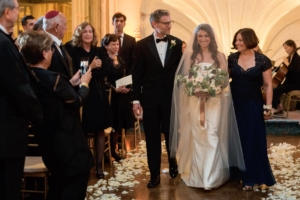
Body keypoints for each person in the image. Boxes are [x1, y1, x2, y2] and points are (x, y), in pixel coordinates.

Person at [19, 31, 94, 200]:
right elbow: (77, 101)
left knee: (58, 185)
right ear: (45, 53)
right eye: (50, 50)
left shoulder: (29, 76)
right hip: (67, 143)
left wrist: (69, 83)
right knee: (74, 185)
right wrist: (84, 84)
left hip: (48, 141)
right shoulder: (52, 78)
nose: (52, 53)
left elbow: (50, 97)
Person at [169, 24, 245, 190]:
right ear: (196, 38)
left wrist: (212, 88)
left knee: (211, 134)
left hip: (214, 101)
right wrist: (195, 89)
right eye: (200, 36)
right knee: (198, 135)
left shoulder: (219, 56)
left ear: (211, 37)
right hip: (195, 100)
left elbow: (225, 80)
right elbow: (186, 79)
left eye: (206, 36)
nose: (203, 39)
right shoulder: (190, 56)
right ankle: (198, 176)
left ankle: (210, 178)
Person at [132, 9, 182, 188]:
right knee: (152, 138)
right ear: (154, 24)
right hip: (150, 100)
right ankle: (154, 175)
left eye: (170, 23)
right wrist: (136, 100)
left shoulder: (176, 43)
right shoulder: (142, 45)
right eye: (165, 23)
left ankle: (173, 163)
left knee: (171, 134)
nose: (169, 25)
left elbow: (180, 72)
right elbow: (137, 75)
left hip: (171, 98)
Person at [0, 0, 43, 199]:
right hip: (8, 127)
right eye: (17, 9)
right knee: (10, 187)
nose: (19, 13)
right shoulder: (3, 43)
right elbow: (17, 86)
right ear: (7, 12)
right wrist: (38, 113)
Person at [228, 28, 276, 190]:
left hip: (253, 104)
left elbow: (269, 85)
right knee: (238, 140)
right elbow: (223, 80)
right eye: (236, 40)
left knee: (253, 140)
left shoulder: (263, 60)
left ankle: (253, 177)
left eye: (241, 40)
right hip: (235, 104)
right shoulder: (232, 59)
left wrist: (268, 107)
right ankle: (239, 175)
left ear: (249, 40)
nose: (237, 43)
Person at [68, 22, 111, 179]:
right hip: (81, 94)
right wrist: (92, 67)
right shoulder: (72, 50)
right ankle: (84, 165)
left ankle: (99, 167)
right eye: (85, 31)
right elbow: (74, 73)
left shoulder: (99, 50)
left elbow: (107, 71)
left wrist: (90, 71)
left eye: (90, 31)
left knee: (99, 131)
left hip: (98, 96)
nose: (88, 34)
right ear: (79, 34)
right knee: (82, 132)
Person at [103, 33, 134, 162]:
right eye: (113, 44)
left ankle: (113, 150)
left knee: (119, 124)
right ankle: (107, 152)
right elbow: (104, 79)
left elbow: (125, 76)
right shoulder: (104, 60)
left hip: (121, 96)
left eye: (117, 44)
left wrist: (127, 86)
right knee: (111, 124)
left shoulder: (120, 59)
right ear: (106, 45)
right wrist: (114, 88)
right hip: (109, 97)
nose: (116, 47)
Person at [43, 10, 79, 83]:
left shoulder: (59, 44)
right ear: (56, 27)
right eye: (65, 24)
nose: (67, 28)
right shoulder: (43, 44)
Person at [272, 40, 300, 114]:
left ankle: (276, 108)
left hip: (296, 84)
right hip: (289, 83)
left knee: (276, 90)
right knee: (273, 87)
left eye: (286, 48)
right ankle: (279, 107)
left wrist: (287, 63)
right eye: (285, 48)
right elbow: (283, 69)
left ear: (292, 47)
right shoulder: (290, 58)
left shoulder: (297, 59)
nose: (285, 50)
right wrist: (273, 68)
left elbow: (296, 71)